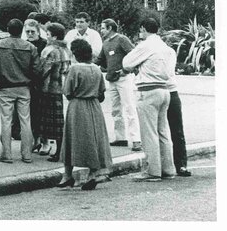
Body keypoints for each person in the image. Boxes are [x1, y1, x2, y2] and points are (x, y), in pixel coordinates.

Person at [122, 17, 177, 181]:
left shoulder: (145, 45)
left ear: (144, 29)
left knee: (149, 132)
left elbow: (126, 63)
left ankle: (153, 171)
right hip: (165, 90)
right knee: (162, 132)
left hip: (148, 90)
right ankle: (168, 168)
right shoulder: (166, 48)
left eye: (141, 30)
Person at [58, 38, 114, 190]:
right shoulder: (96, 69)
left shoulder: (74, 69)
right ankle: (93, 173)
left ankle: (67, 174)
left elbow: (67, 92)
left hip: (77, 106)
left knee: (72, 138)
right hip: (94, 107)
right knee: (93, 138)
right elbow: (102, 93)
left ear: (75, 54)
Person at [0, 18, 39, 164]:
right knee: (25, 120)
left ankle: (6, 153)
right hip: (24, 87)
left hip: (5, 87)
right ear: (21, 30)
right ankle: (27, 154)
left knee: (6, 120)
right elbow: (36, 69)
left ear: (8, 29)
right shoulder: (30, 47)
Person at [96, 18, 141, 152]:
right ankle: (120, 137)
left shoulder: (122, 39)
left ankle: (136, 139)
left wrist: (126, 70)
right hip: (112, 80)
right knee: (115, 110)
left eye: (103, 28)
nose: (101, 30)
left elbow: (133, 55)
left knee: (129, 108)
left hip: (124, 79)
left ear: (110, 28)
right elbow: (100, 60)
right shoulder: (105, 43)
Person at [36, 22, 71, 161]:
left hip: (47, 88)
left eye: (48, 34)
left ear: (54, 36)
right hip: (59, 89)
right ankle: (60, 149)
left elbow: (43, 70)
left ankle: (48, 147)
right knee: (58, 121)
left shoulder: (49, 50)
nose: (47, 37)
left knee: (47, 120)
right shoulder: (66, 50)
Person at [22, 19, 46, 153]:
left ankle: (42, 140)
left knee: (40, 113)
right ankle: (34, 139)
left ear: (38, 31)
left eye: (32, 32)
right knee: (30, 113)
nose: (30, 34)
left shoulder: (43, 44)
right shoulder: (25, 44)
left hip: (40, 83)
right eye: (27, 32)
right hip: (28, 83)